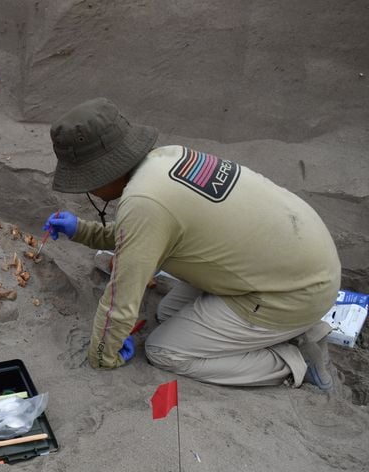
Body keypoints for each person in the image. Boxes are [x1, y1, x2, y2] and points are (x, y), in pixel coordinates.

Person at [43, 98, 340, 390]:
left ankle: (293, 360)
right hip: (302, 258)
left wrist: (102, 355)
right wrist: (80, 230)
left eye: (87, 182)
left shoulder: (144, 203)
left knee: (165, 350)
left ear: (104, 170)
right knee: (168, 314)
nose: (90, 191)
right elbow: (141, 236)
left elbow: (122, 298)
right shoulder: (167, 157)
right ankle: (287, 328)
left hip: (294, 293)